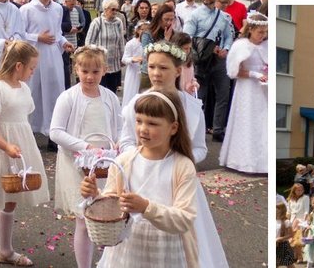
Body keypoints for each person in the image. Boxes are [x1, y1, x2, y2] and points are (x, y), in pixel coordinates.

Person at [116, 41, 227, 267]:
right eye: (152, 67)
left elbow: (200, 147)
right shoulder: (136, 103)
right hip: (141, 176)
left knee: (182, 240)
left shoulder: (192, 106)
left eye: (163, 68)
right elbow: (126, 138)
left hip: (176, 179)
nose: (156, 73)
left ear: (178, 70)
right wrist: (142, 157)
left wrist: (176, 160)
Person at [83, 87, 209, 266]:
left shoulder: (182, 166)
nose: (143, 129)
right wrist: (95, 195)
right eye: (139, 121)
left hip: (166, 250)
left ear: (173, 128)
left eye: (152, 123)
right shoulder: (124, 161)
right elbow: (113, 202)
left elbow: (184, 219)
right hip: (128, 249)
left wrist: (146, 207)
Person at [0, 40, 49, 268]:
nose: (32, 72)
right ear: (18, 66)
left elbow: (20, 119)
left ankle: (5, 250)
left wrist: (15, 146)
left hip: (18, 147)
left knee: (10, 201)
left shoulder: (24, 88)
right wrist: (5, 145)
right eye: (31, 68)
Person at [49, 46, 122, 268]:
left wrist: (117, 145)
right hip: (77, 164)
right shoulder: (68, 97)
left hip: (105, 163)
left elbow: (118, 128)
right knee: (84, 217)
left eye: (95, 71)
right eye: (85, 71)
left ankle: (108, 262)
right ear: (76, 69)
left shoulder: (110, 97)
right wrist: (85, 146)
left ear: (105, 71)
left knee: (108, 214)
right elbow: (56, 132)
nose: (90, 76)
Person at [19, 0, 74, 139]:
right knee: (33, 92)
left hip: (53, 57)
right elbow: (20, 34)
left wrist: (64, 43)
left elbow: (57, 32)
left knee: (54, 93)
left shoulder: (57, 9)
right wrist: (37, 38)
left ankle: (53, 132)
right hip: (34, 56)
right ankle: (30, 130)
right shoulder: (26, 10)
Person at [184, 0, 235, 142]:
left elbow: (228, 36)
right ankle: (197, 130)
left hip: (220, 61)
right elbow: (187, 38)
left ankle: (218, 130)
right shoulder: (195, 15)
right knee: (200, 97)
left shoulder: (223, 17)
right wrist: (207, 48)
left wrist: (226, 49)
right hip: (202, 61)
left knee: (223, 95)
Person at [219, 12, 267, 173]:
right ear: (251, 29)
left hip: (263, 89)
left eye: (265, 32)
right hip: (247, 88)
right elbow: (234, 71)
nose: (263, 35)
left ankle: (262, 162)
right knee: (247, 120)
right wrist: (254, 74)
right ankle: (242, 160)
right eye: (260, 32)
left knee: (262, 122)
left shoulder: (266, 45)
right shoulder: (241, 45)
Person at [84, 0, 126, 92]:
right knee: (100, 90)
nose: (115, 12)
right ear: (105, 9)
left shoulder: (118, 22)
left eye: (116, 9)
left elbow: (121, 41)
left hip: (114, 63)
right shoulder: (97, 22)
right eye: (113, 9)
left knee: (112, 91)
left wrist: (122, 57)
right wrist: (99, 50)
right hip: (100, 62)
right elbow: (88, 42)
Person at [276, 202, 298, 268]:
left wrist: (280, 238)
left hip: (283, 245)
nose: (275, 210)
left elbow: (291, 234)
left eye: (277, 208)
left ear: (282, 210)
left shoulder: (286, 221)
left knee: (289, 264)